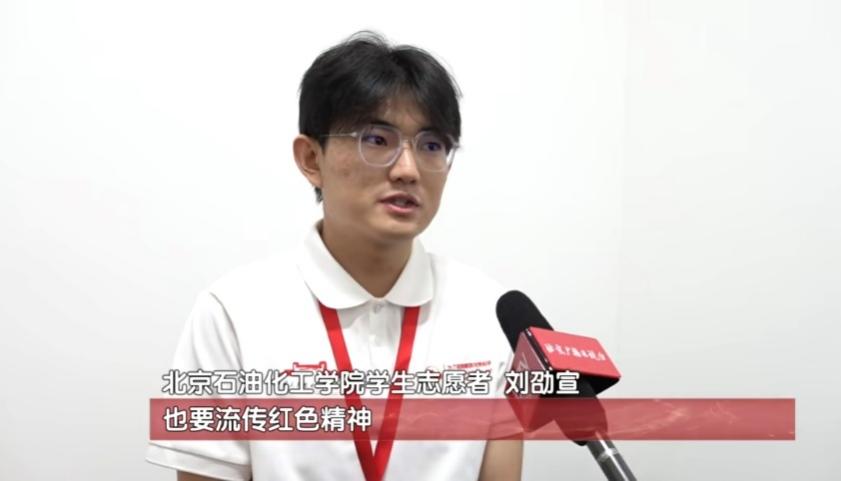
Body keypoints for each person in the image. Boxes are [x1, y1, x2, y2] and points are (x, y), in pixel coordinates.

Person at [146, 31, 523, 481]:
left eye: (432, 145)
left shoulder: (492, 313)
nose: (408, 170)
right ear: (311, 158)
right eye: (377, 139)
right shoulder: (232, 313)